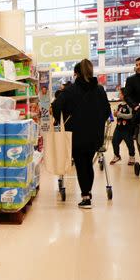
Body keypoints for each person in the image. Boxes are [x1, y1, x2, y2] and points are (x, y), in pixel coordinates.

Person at [53, 59, 112, 209]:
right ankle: (87, 193)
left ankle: (86, 197)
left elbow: (56, 107)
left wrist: (62, 121)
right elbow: (107, 111)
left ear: (76, 73)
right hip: (95, 135)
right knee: (88, 164)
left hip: (76, 135)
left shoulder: (70, 90)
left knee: (81, 164)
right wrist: (96, 122)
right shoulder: (99, 90)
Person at [110, 86, 136, 165]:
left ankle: (132, 157)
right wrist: (116, 114)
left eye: (120, 93)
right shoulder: (119, 105)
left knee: (129, 143)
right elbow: (118, 114)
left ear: (125, 94)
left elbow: (131, 115)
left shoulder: (130, 105)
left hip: (127, 128)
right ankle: (117, 156)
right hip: (118, 128)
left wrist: (120, 115)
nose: (119, 95)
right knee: (114, 141)